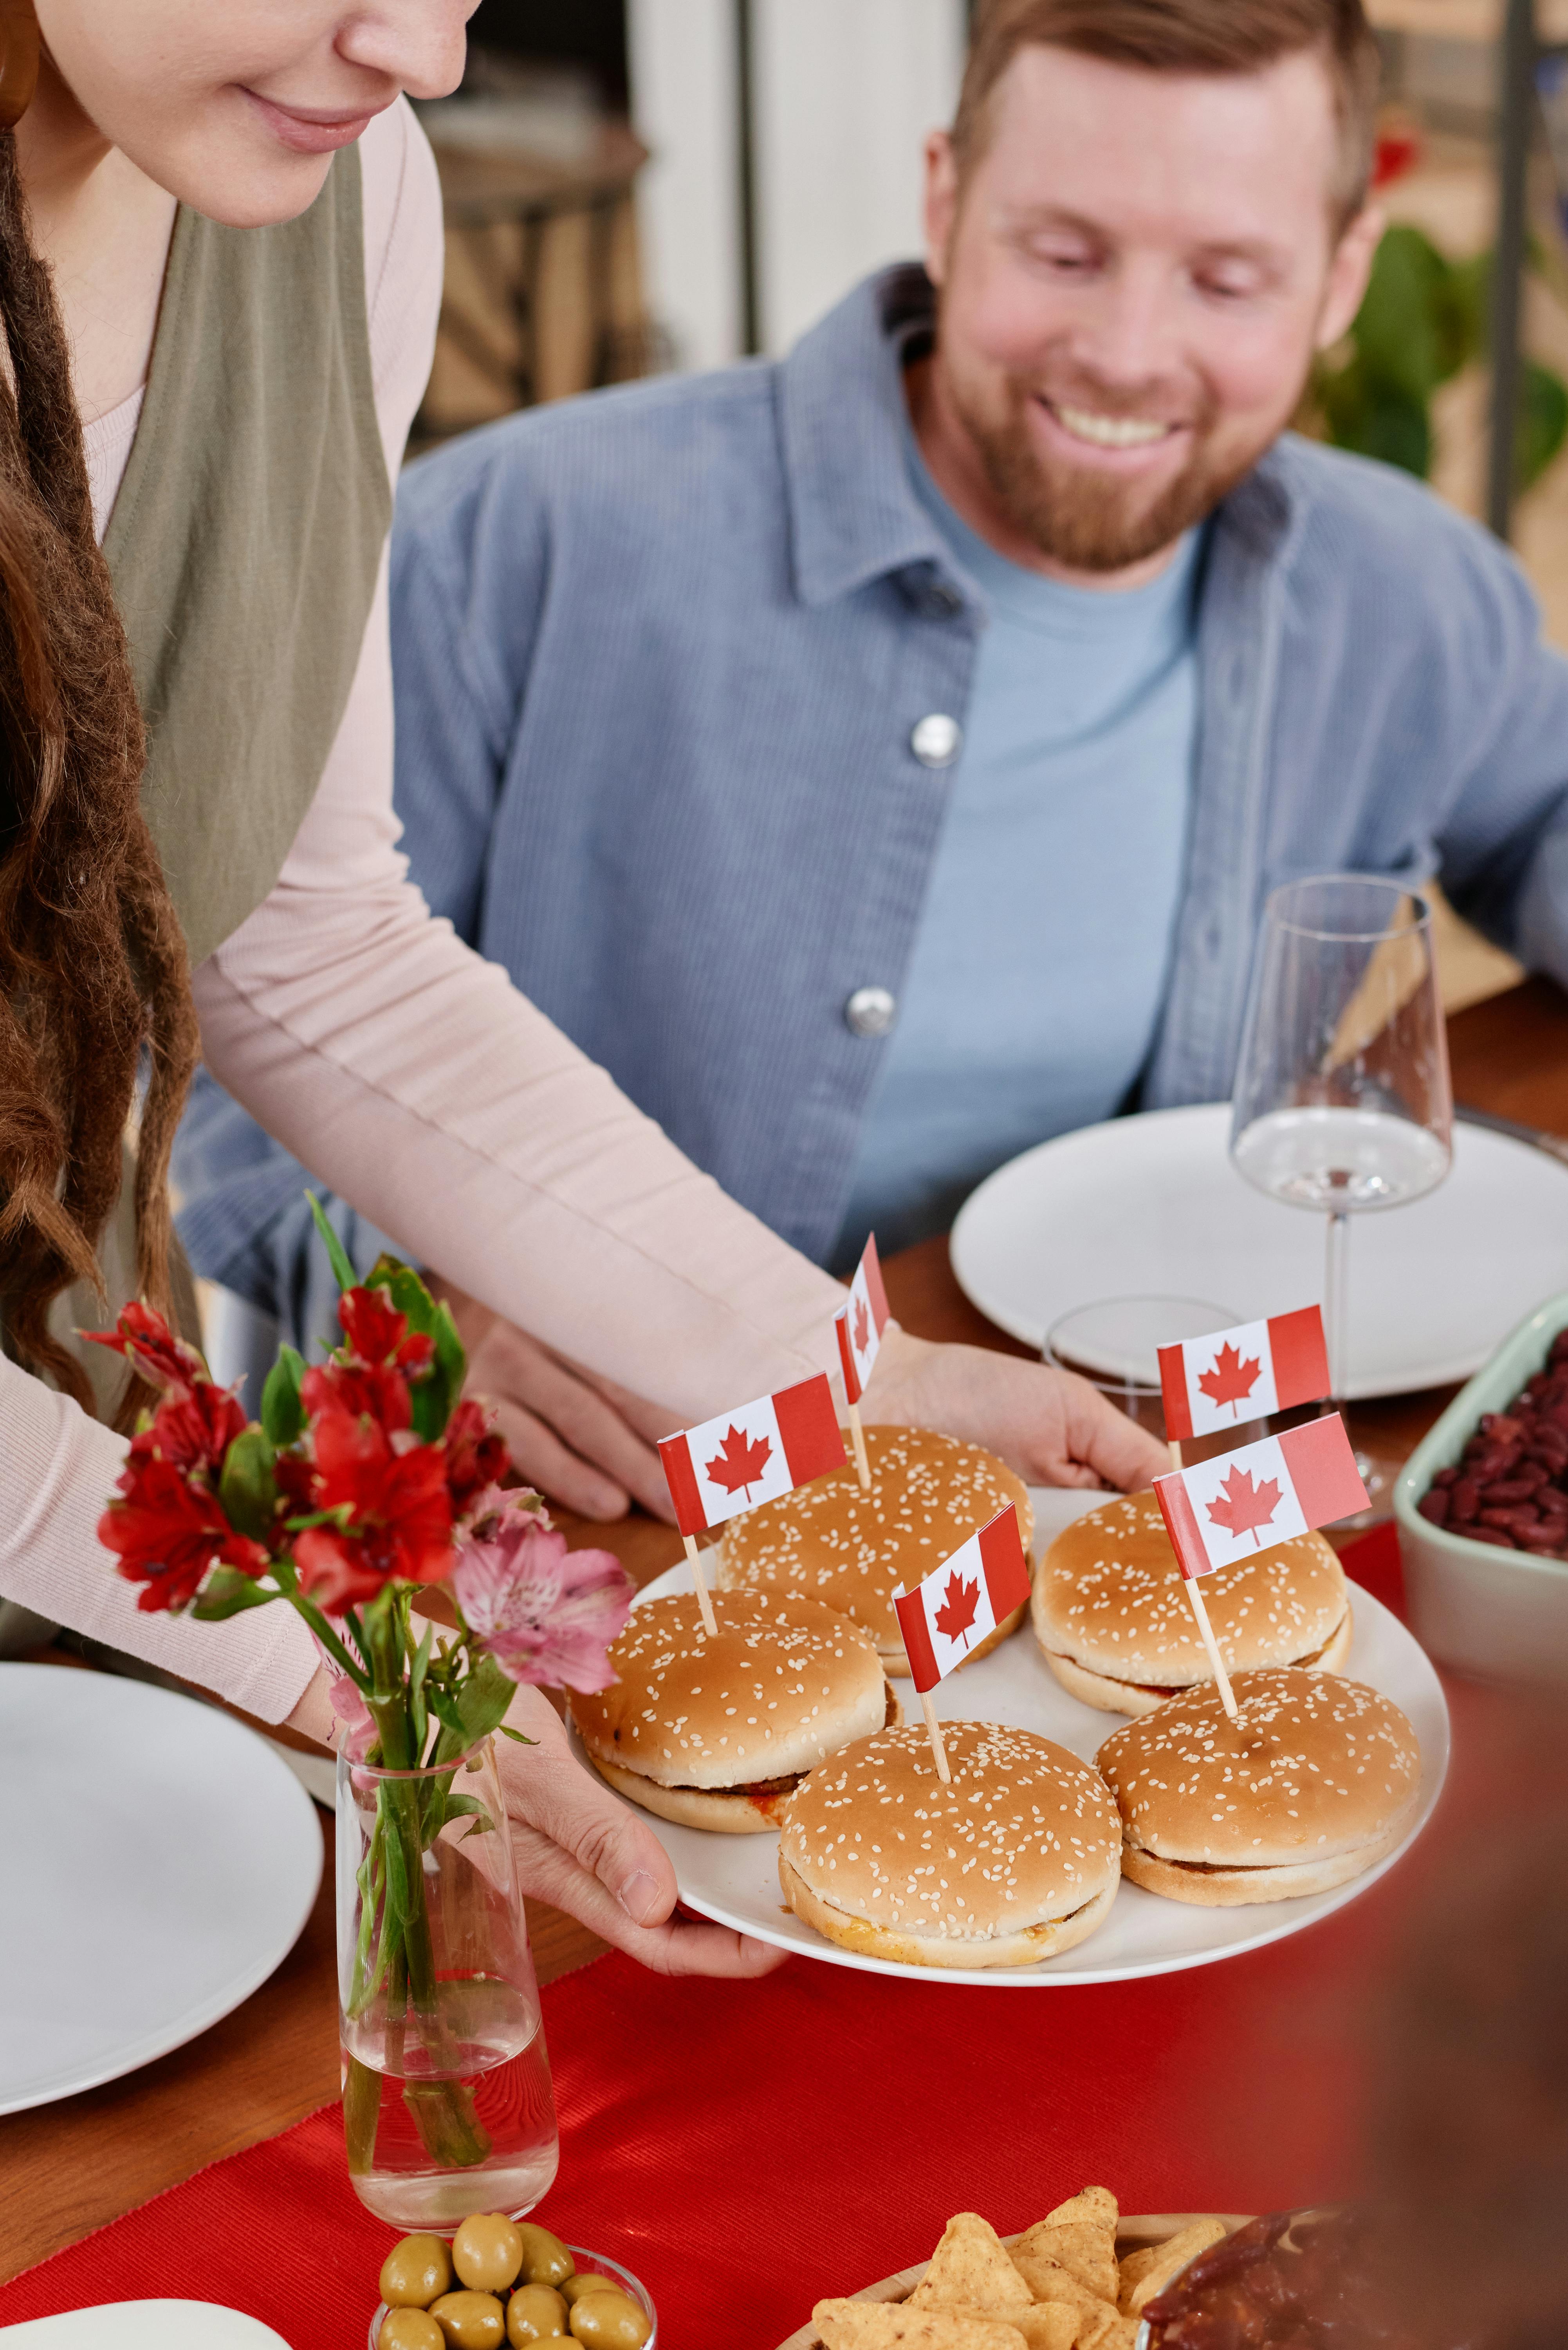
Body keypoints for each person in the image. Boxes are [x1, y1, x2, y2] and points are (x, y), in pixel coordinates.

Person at [0, 0, 1162, 1982]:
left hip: (89, 1563)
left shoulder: (333, 189)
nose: (428, 51)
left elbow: (307, 938)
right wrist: (313, 1661)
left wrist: (844, 1390)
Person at [179, 0, 1568, 1519]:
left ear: (1341, 278)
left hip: (1116, 1512)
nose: (1126, 350)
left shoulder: (1410, 598)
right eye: (1063, 252)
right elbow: (215, 1038)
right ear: (945, 200)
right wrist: (435, 1292)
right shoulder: (517, 543)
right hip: (640, 1528)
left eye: (1227, 279)